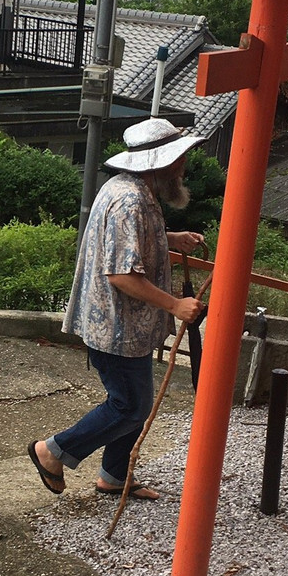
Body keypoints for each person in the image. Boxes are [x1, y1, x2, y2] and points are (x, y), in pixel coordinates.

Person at [28, 117, 206, 500]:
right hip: (116, 326)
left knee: (133, 403)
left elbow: (126, 244)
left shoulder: (131, 190)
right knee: (129, 406)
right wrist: (175, 305)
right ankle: (51, 451)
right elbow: (122, 276)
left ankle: (112, 475)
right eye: (178, 159)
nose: (183, 166)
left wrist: (170, 238)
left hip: (126, 326)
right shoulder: (129, 201)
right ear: (158, 163)